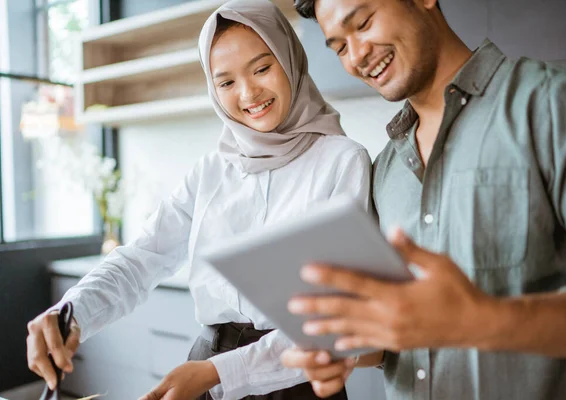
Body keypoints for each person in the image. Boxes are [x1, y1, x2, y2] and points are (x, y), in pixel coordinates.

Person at [26, 1, 372, 399]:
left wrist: (218, 372)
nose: (248, 93)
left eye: (262, 68)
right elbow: (140, 259)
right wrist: (70, 312)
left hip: (296, 378)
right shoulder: (209, 171)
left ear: (290, 59)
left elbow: (336, 315)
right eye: (226, 82)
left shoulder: (342, 161)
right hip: (206, 363)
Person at [281, 0, 566, 399]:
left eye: (363, 23)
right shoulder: (384, 171)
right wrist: (345, 349)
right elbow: (398, 335)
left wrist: (480, 320)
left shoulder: (556, 104)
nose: (358, 55)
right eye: (340, 47)